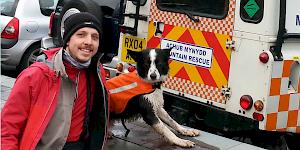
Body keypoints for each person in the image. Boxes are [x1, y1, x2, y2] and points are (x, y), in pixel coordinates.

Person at [1, 12, 110, 150]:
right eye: (81, 35)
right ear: (68, 40)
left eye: (95, 37)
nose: (89, 41)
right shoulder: (37, 75)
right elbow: (7, 129)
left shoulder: (96, 72)